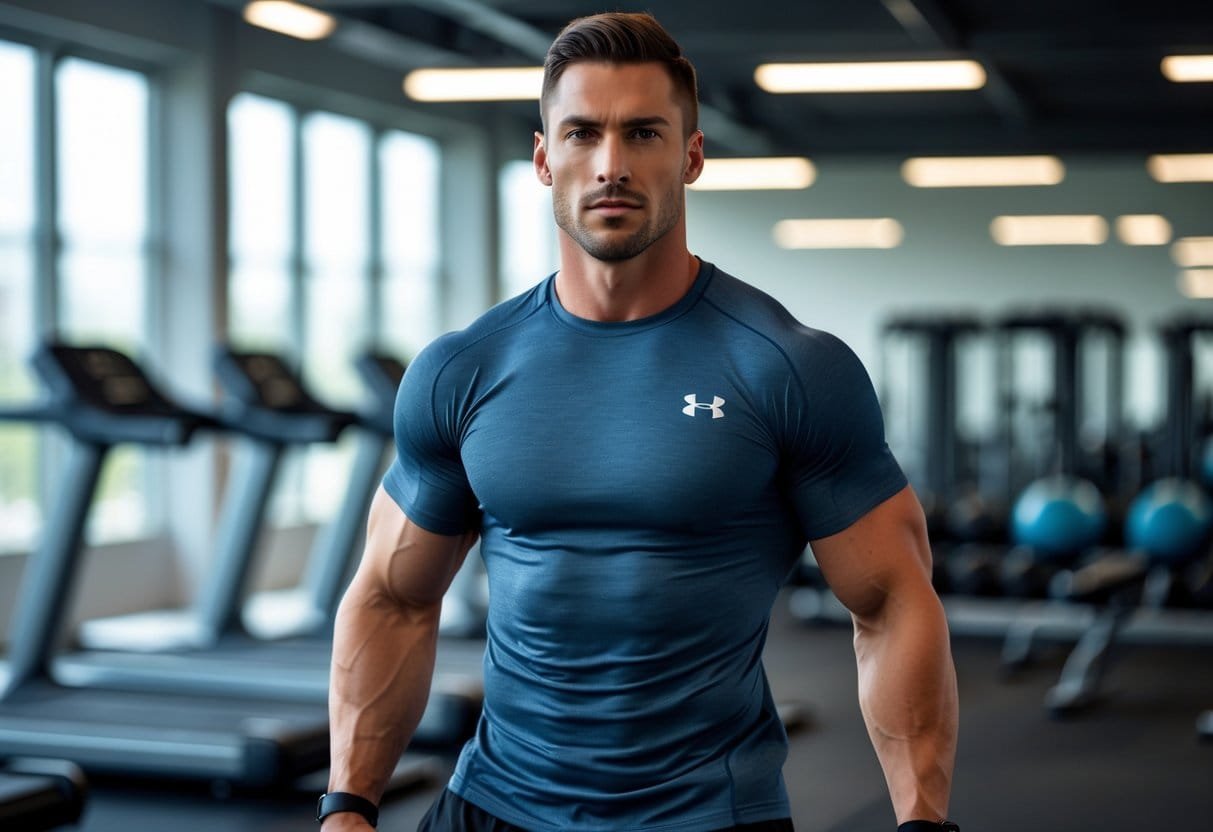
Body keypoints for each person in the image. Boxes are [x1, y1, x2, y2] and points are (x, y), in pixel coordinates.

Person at [321, 11, 958, 832]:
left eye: (643, 133)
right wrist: (348, 805)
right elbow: (391, 598)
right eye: (582, 133)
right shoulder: (462, 370)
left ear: (690, 156)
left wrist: (922, 818)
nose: (610, 165)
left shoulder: (786, 367)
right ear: (543, 157)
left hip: (706, 815)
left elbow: (892, 601)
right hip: (491, 805)